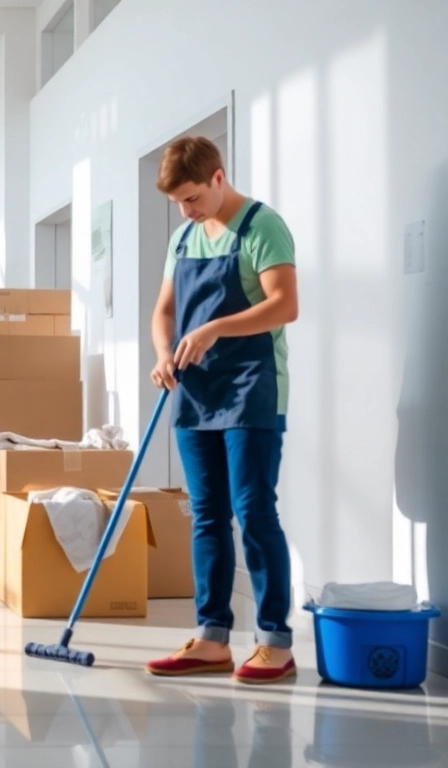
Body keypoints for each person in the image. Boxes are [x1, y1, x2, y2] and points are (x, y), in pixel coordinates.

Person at [144, 136, 300, 685]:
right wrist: (164, 353)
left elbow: (285, 304)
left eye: (192, 198)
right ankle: (212, 637)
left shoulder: (262, 226)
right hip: (195, 391)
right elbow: (164, 311)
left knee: (255, 511)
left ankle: (274, 642)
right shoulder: (185, 238)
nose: (186, 211)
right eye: (178, 203)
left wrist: (212, 329)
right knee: (207, 514)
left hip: (252, 389)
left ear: (217, 177)